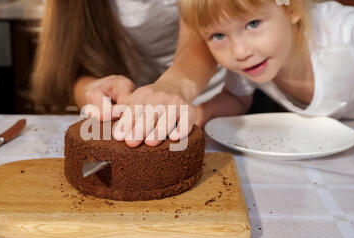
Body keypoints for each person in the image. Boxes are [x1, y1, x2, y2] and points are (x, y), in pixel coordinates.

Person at [31, 0, 225, 148]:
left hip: (215, 107)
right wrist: (94, 90)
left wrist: (175, 85)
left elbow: (203, 36)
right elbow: (70, 74)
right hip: (133, 120)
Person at [178, 0, 354, 125]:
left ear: (291, 9)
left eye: (253, 24)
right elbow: (236, 98)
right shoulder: (250, 62)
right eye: (218, 35)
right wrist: (200, 113)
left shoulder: (348, 34)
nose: (239, 52)